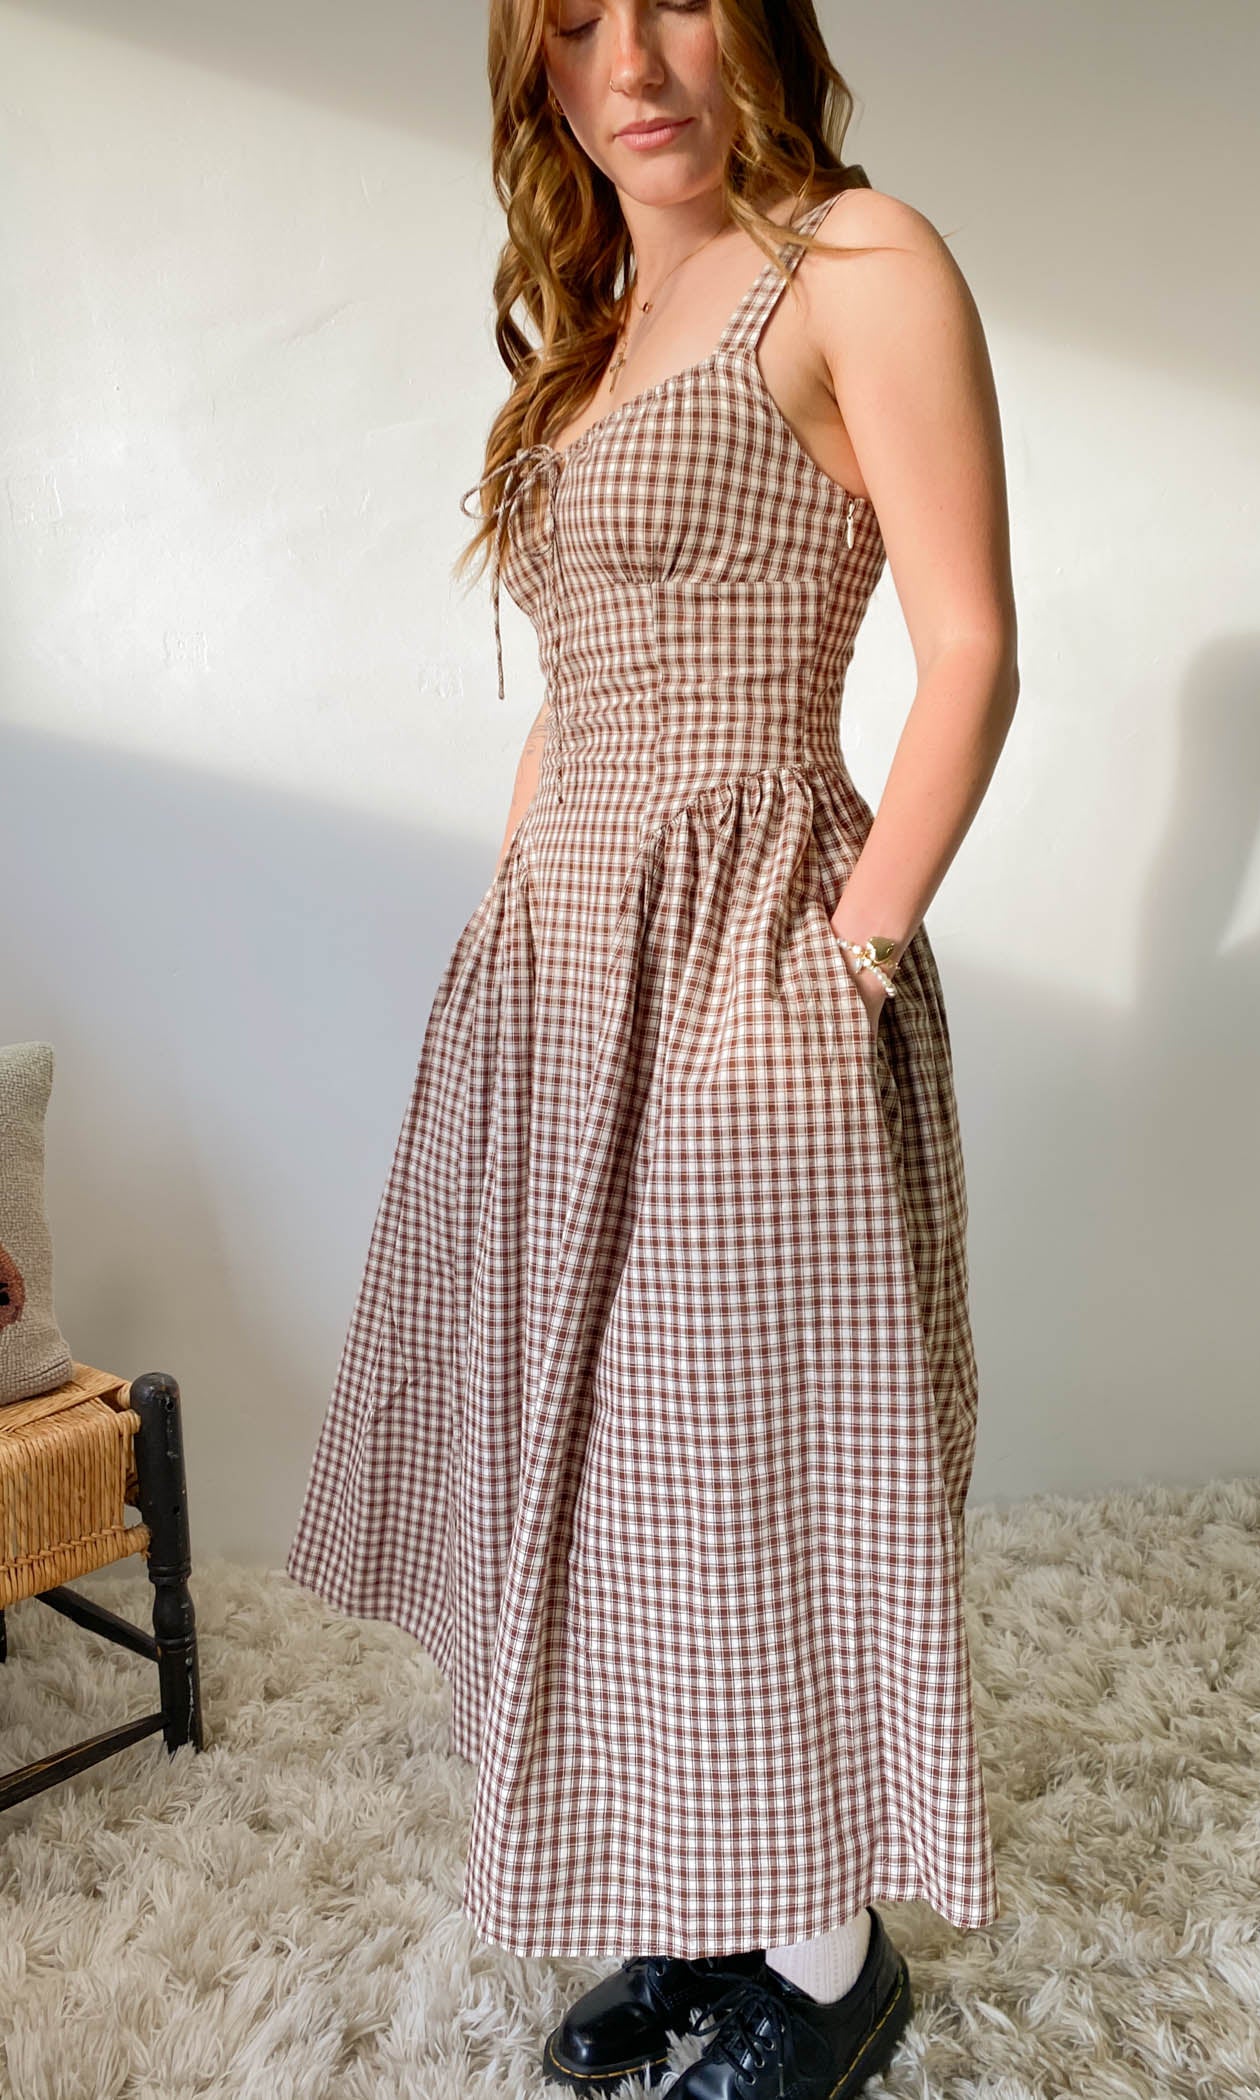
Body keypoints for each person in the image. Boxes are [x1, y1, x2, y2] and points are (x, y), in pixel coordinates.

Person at [285, 1, 1020, 2095]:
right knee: (608, 1480)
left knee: (742, 1467)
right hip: (563, 978)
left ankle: (823, 1956)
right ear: (538, 67)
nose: (635, 54)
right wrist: (510, 932)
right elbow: (579, 691)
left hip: (747, 962)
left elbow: (968, 643)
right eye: (578, 17)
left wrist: (845, 967)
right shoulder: (603, 326)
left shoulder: (854, 259)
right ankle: (714, 1918)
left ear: (760, 19)